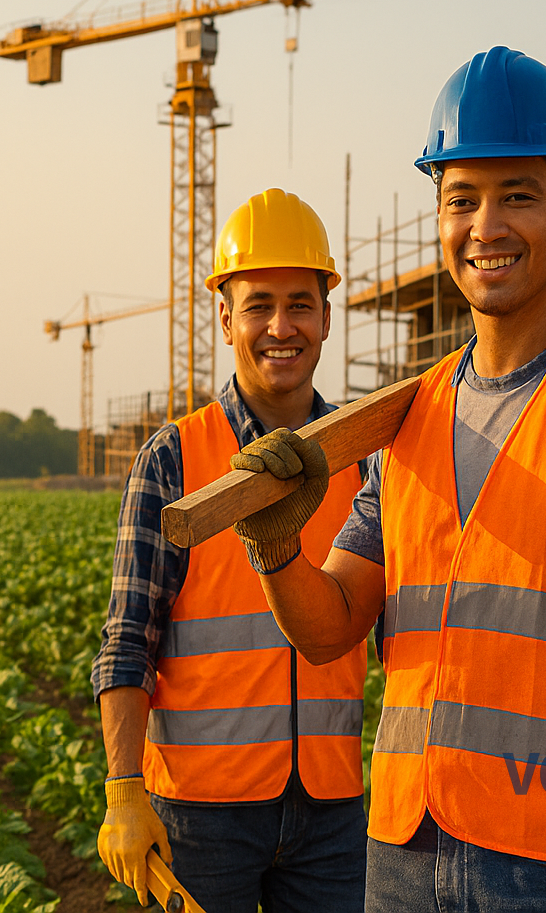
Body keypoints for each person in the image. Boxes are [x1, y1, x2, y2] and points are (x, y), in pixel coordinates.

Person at [230, 46, 546, 913]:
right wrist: (278, 548)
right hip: (403, 852)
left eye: (518, 196)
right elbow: (331, 630)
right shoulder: (411, 416)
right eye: (462, 199)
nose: (486, 226)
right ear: (438, 216)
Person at [91, 189, 370, 913]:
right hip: (197, 812)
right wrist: (123, 791)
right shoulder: (174, 458)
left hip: (332, 806)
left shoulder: (365, 454)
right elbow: (128, 638)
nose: (282, 327)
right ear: (224, 318)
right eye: (258, 306)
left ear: (327, 317)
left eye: (300, 305)